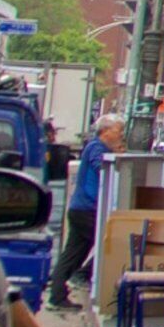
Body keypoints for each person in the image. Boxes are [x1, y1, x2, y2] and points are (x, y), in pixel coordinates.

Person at [51, 114, 121, 311]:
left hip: (82, 208)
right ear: (106, 131)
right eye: (118, 130)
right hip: (85, 209)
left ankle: (57, 296)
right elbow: (105, 169)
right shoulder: (97, 148)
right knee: (107, 242)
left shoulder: (97, 147)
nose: (120, 135)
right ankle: (82, 275)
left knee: (73, 253)